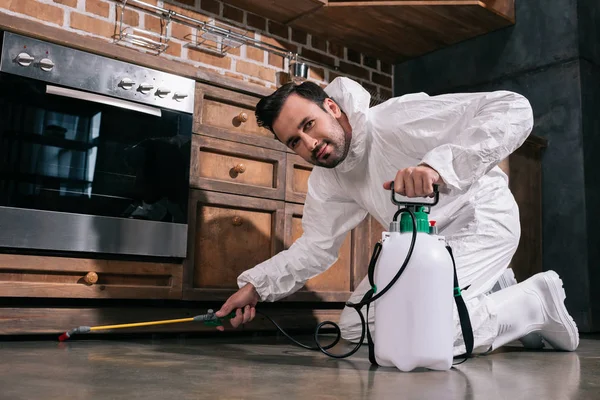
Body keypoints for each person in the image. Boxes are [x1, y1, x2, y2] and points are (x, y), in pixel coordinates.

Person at [215, 77, 579, 355]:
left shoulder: (395, 119)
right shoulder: (328, 179)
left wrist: (438, 165)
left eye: (308, 125)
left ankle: (535, 302)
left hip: (479, 221)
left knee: (414, 336)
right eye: (294, 141)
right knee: (357, 328)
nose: (309, 144)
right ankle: (499, 294)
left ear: (332, 107)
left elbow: (513, 108)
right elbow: (315, 247)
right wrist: (256, 287)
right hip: (418, 247)